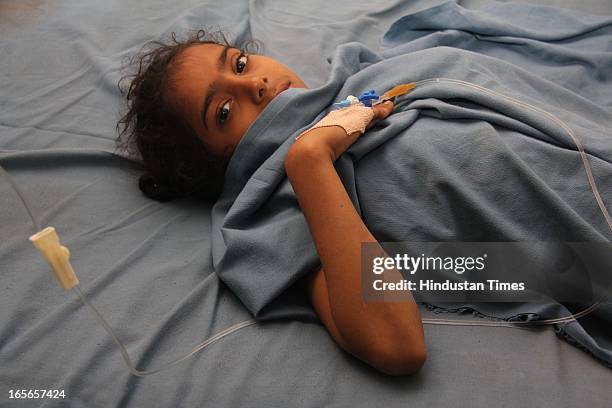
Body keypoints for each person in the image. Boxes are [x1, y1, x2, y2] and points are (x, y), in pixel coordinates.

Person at [116, 30, 426, 376]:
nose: (255, 84)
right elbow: (396, 343)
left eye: (240, 63)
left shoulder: (355, 82)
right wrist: (309, 160)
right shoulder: (276, 210)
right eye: (224, 112)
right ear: (218, 166)